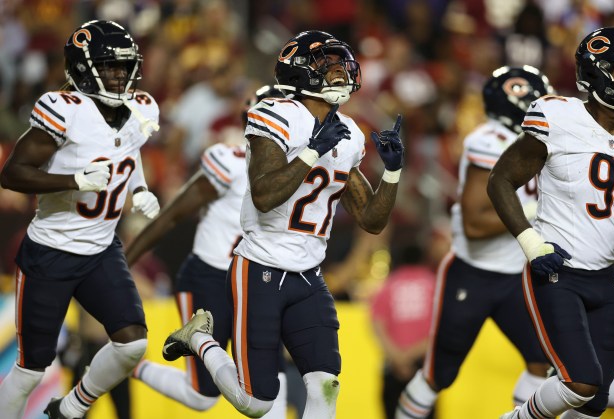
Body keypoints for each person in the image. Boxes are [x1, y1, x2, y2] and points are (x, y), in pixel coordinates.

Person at [159, 30, 404, 418]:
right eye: (329, 64)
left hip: (309, 276)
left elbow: (371, 220)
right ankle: (201, 340)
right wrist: (312, 150)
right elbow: (264, 193)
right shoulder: (273, 115)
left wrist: (392, 173)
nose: (341, 72)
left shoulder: (350, 133)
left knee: (325, 387)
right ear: (301, 72)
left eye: (344, 64)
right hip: (260, 269)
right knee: (256, 402)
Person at [0, 20, 160, 419]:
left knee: (132, 343)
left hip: (101, 249)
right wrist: (72, 179)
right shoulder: (63, 110)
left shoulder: (139, 108)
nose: (120, 75)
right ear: (83, 68)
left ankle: (70, 408)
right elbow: (12, 173)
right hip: (51, 252)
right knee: (29, 369)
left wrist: (138, 189)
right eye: (110, 66)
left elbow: (129, 149)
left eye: (125, 66)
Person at [395, 66, 553, 419]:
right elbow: (476, 225)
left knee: (544, 362)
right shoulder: (489, 141)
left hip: (518, 277)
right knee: (437, 375)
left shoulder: (542, 140)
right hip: (473, 275)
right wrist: (533, 209)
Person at [126, 85, 288, 418]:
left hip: (257, 283)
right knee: (203, 396)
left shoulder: (301, 174)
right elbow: (173, 215)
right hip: (210, 279)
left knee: (270, 374)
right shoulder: (230, 161)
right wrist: (123, 263)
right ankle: (129, 367)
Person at [488, 27, 614, 419]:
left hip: (608, 277)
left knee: (592, 404)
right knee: (579, 381)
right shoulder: (558, 115)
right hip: (559, 269)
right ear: (596, 73)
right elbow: (501, 180)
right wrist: (531, 243)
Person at [370, 244, 436, 419]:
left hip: (393, 366)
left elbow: (377, 324)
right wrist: (410, 356)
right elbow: (439, 328)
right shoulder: (433, 284)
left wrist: (398, 358)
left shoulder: (389, 284)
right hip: (423, 366)